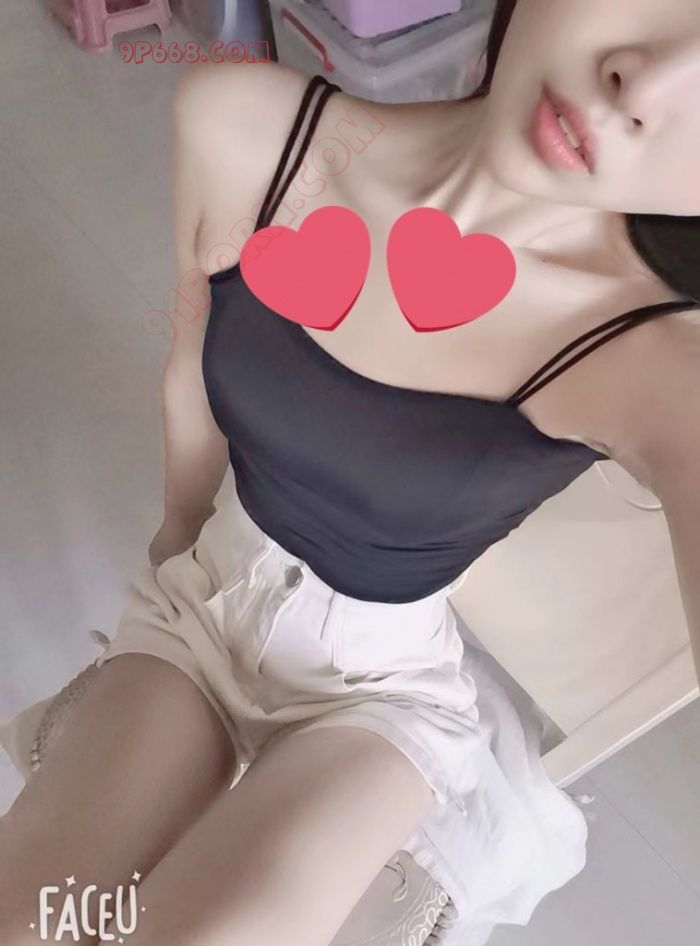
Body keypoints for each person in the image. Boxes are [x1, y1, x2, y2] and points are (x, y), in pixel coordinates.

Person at [2, 1, 699, 944]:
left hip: (381, 694)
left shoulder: (656, 365)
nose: (643, 82)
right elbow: (189, 374)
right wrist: (173, 552)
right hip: (199, 609)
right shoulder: (247, 129)